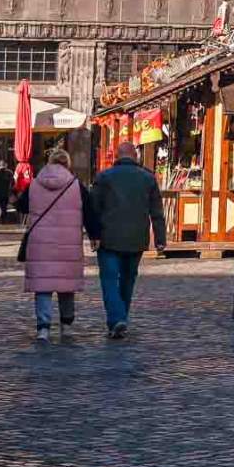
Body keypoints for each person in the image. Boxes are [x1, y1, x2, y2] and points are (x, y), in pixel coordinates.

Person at [90, 141, 166, 339]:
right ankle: (121, 317)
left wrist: (94, 235)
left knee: (109, 279)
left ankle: (117, 318)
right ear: (136, 156)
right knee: (128, 279)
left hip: (108, 238)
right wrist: (160, 239)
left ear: (117, 155)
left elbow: (93, 209)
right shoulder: (148, 178)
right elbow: (157, 212)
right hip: (136, 238)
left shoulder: (104, 177)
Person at [22, 147, 86, 344]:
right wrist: (95, 235)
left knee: (43, 286)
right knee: (66, 285)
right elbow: (90, 210)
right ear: (67, 165)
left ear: (49, 163)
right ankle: (66, 325)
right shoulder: (76, 185)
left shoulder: (34, 184)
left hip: (40, 242)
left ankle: (43, 328)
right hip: (69, 242)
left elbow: (21, 206)